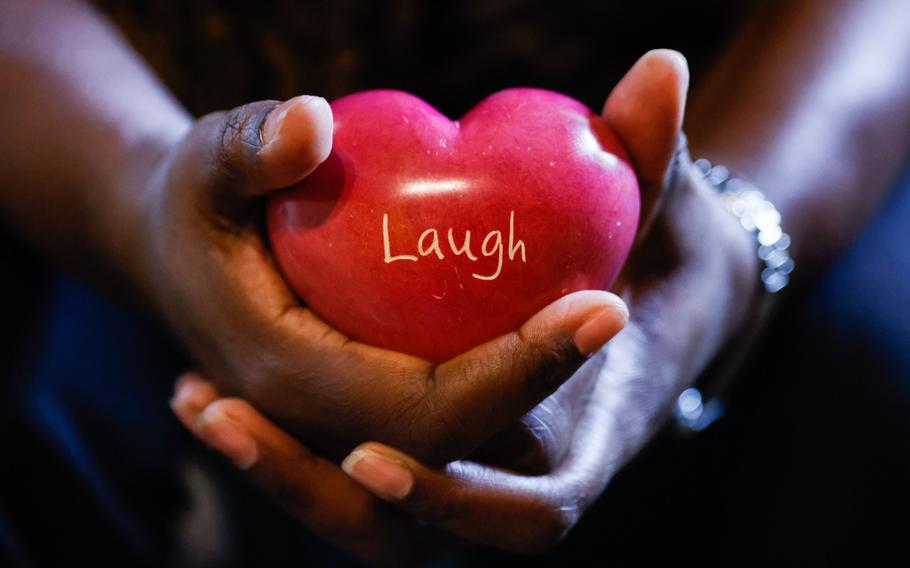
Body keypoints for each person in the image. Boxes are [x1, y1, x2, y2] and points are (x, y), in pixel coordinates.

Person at [1, 0, 909, 565]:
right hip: (120, 113)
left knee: (872, 387)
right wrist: (133, 196)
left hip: (723, 128)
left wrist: (737, 248)